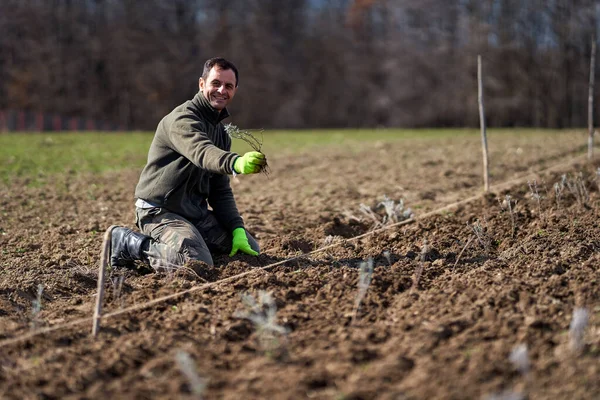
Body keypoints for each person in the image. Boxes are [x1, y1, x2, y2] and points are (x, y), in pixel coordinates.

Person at [109, 57, 266, 271]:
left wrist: (236, 228)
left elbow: (220, 191)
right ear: (202, 84)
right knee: (196, 263)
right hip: (160, 211)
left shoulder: (220, 133)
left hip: (193, 214)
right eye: (216, 83)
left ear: (235, 90)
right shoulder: (182, 120)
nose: (222, 90)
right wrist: (235, 162)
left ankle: (190, 242)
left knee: (250, 250)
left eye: (228, 86)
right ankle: (128, 243)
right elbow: (202, 152)